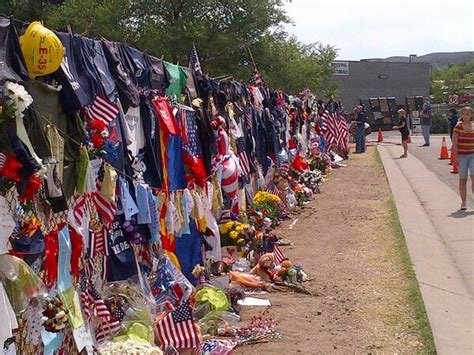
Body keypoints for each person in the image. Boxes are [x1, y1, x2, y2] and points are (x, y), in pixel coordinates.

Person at [452, 106, 474, 210]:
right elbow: (455, 142)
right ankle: (464, 202)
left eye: (467, 114)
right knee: (463, 180)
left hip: (472, 155)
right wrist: (454, 157)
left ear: (471, 115)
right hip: (462, 156)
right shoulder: (458, 126)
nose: (465, 116)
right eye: (463, 114)